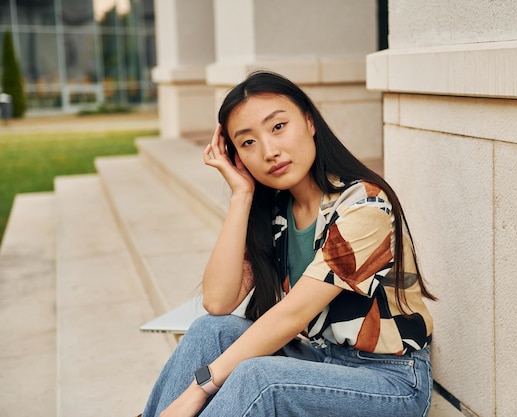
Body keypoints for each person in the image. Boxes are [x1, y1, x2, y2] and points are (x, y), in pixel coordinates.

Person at [142, 71, 436, 417]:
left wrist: (200, 387)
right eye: (247, 142)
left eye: (278, 127)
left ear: (309, 122)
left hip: (391, 381)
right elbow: (218, 301)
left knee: (259, 378)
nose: (270, 151)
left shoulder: (364, 206)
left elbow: (293, 315)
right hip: (321, 359)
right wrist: (242, 195)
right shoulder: (278, 210)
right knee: (211, 330)